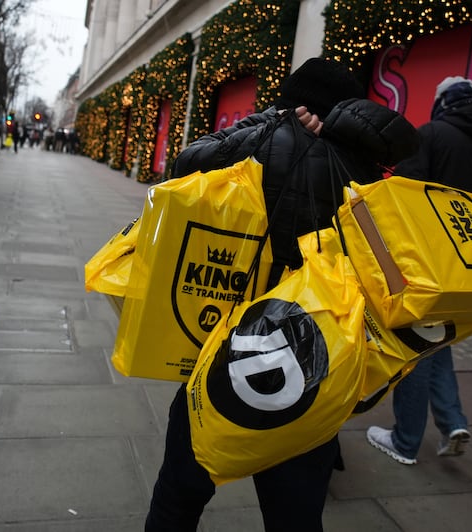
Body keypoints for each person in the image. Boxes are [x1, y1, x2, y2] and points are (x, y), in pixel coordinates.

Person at [144, 57, 419, 532]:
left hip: (225, 346)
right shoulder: (370, 175)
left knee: (178, 497)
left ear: (291, 101)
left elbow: (185, 165)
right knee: (295, 516)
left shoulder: (261, 142)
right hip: (312, 360)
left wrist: (265, 123)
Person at [366, 76, 472, 465]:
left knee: (416, 348)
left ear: (443, 102)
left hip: (429, 262)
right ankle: (453, 421)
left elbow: (401, 196)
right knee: (440, 342)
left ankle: (404, 442)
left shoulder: (433, 134)